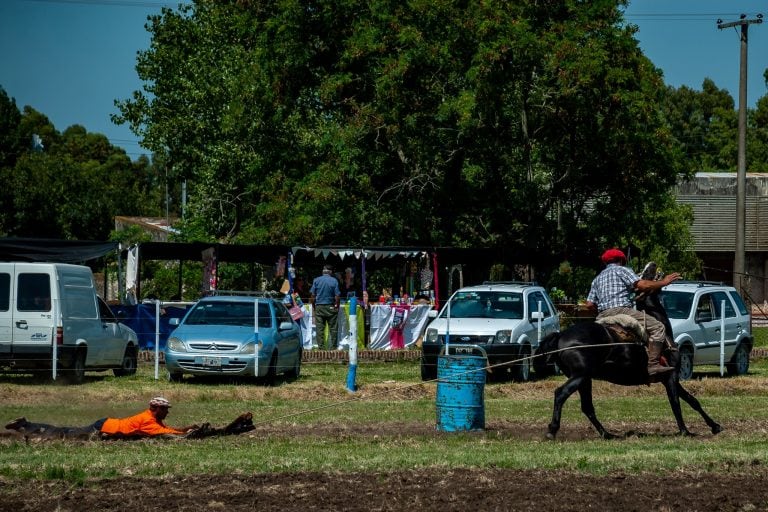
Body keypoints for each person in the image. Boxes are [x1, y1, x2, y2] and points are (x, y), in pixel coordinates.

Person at [584, 248, 681, 379]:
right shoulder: (622, 270)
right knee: (658, 327)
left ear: (606, 262)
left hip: (602, 315)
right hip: (622, 311)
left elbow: (589, 304)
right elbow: (643, 286)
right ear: (621, 261)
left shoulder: (597, 278)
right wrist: (664, 282)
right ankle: (653, 365)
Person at [4, 396, 197, 439]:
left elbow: (166, 428)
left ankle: (25, 425)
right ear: (156, 408)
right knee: (62, 433)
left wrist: (186, 428)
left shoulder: (151, 417)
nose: (168, 412)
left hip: (106, 424)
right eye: (165, 409)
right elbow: (166, 433)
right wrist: (186, 432)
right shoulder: (148, 421)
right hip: (104, 428)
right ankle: (25, 426)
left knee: (65, 430)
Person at [309, 264, 341, 350]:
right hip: (330, 307)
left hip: (319, 307)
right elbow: (337, 296)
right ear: (330, 272)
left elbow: (312, 296)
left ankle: (321, 348)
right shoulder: (334, 281)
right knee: (333, 328)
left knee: (319, 329)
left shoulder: (316, 280)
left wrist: (314, 306)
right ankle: (333, 347)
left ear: (323, 271)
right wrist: (337, 306)